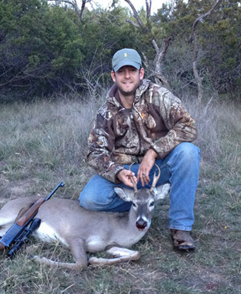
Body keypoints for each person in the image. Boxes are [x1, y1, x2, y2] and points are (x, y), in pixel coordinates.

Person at [79, 48, 200, 252]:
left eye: (132, 70)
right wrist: (117, 172)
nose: (127, 76)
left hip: (158, 168)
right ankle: (141, 205)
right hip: (128, 175)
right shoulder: (105, 112)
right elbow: (94, 152)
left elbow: (188, 126)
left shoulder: (158, 96)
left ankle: (180, 227)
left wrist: (154, 152)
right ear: (113, 76)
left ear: (141, 73)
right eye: (121, 71)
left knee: (188, 153)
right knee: (89, 200)